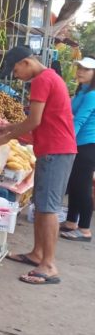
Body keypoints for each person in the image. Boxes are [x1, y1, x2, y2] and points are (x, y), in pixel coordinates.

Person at [0, 45, 76, 285]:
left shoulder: (41, 80)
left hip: (55, 150)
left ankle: (48, 265)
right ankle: (38, 253)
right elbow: (38, 123)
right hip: (53, 149)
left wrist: (5, 138)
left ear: (27, 62)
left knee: (48, 208)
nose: (15, 75)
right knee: (42, 205)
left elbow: (34, 120)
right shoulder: (50, 78)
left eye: (15, 69)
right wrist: (9, 129)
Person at [60, 57, 95, 242]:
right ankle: (71, 222)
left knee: (82, 187)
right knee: (74, 183)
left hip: (87, 146)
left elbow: (79, 120)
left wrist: (66, 141)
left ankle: (85, 229)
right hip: (77, 143)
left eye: (86, 69)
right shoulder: (82, 90)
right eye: (80, 67)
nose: (80, 71)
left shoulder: (92, 94)